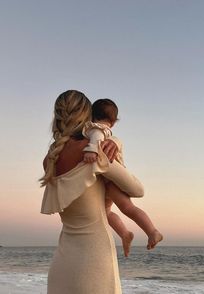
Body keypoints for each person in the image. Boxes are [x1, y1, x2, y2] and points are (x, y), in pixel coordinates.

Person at [40, 90, 144, 294]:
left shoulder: (49, 159)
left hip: (63, 263)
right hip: (94, 259)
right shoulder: (93, 151)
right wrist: (115, 143)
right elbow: (137, 189)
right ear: (86, 116)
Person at [82, 99, 163, 257]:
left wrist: (92, 150)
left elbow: (96, 139)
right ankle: (125, 234)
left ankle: (152, 231)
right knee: (106, 212)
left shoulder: (96, 128)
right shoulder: (108, 131)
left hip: (112, 180)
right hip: (108, 180)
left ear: (91, 116)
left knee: (126, 208)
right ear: (114, 121)